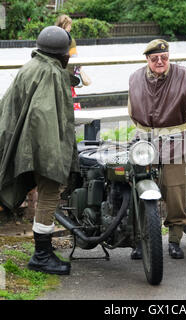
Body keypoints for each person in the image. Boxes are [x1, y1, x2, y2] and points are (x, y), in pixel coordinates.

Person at [0, 26, 79, 275]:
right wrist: (53, 158)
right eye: (68, 52)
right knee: (50, 191)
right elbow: (43, 117)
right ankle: (41, 256)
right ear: (62, 53)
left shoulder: (31, 66)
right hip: (41, 146)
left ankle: (42, 253)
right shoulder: (50, 72)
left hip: (27, 142)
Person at [128, 39, 186, 259]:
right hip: (144, 144)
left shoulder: (183, 76)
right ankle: (140, 240)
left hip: (176, 143)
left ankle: (175, 240)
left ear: (169, 57)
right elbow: (131, 109)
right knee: (138, 192)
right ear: (147, 59)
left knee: (175, 193)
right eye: (154, 58)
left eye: (164, 57)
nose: (160, 61)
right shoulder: (135, 77)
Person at [56, 14, 82, 110]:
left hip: (55, 74)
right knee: (69, 103)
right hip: (67, 76)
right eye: (69, 25)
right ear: (65, 26)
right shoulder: (71, 41)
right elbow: (75, 58)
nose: (70, 27)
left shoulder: (53, 37)